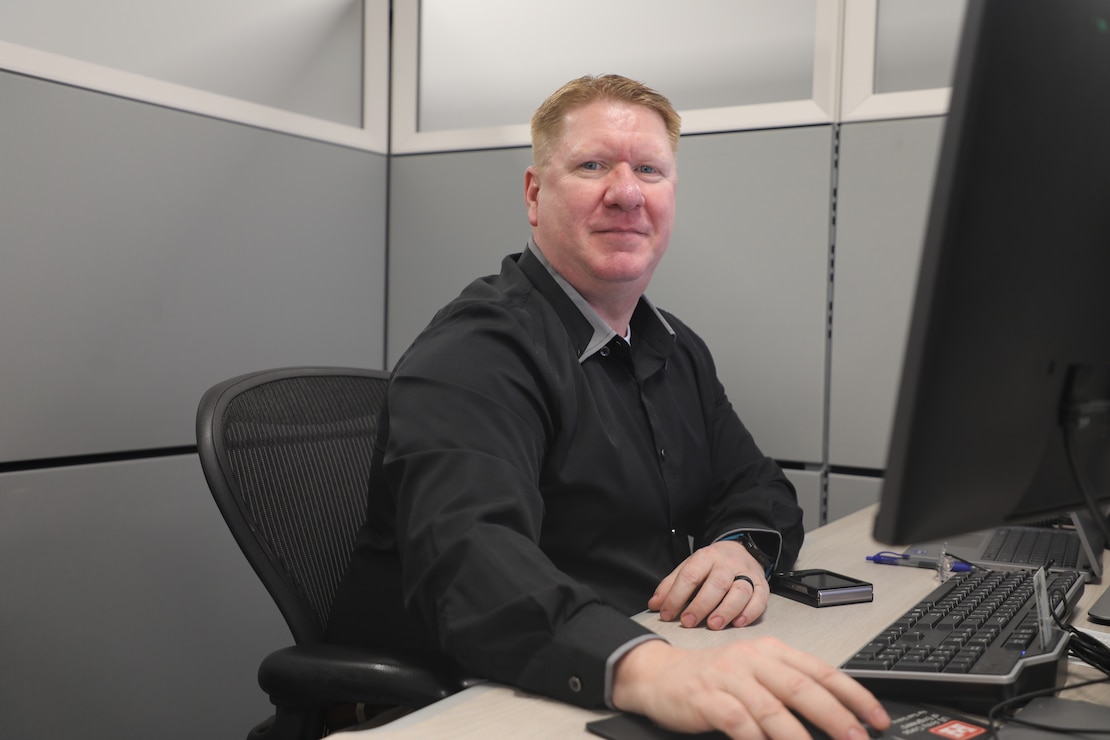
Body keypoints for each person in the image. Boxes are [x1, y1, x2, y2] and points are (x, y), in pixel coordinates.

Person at [328, 74, 891, 739]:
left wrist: (739, 550)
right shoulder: (474, 353)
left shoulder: (674, 348)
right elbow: (473, 562)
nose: (626, 193)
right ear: (535, 194)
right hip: (479, 700)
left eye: (649, 170)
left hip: (636, 662)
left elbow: (756, 485)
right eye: (593, 165)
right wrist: (653, 669)